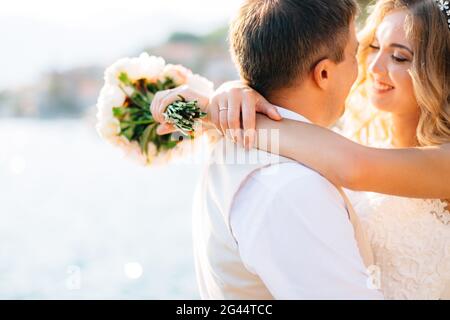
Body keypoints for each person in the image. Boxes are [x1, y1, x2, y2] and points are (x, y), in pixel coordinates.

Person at [205, 0, 450, 299]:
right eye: (373, 46)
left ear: (440, 71)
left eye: (399, 57)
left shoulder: (437, 159)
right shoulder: (347, 140)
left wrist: (248, 121)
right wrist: (236, 93)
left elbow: (353, 167)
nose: (373, 67)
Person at [152, 0, 383, 299]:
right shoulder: (292, 188)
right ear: (323, 73)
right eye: (353, 54)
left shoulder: (230, 149)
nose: (361, 67)